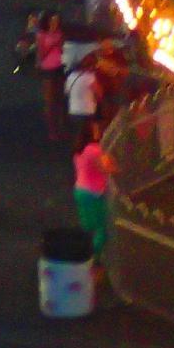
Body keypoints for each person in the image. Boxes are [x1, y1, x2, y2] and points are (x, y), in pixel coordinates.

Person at [73, 122, 114, 258]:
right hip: (93, 194)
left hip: (80, 191)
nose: (99, 132)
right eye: (96, 129)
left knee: (90, 228)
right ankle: (90, 259)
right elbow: (106, 168)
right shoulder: (94, 149)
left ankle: (91, 257)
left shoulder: (79, 150)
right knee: (101, 230)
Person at [65, 57, 101, 145]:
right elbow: (99, 93)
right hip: (87, 111)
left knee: (77, 136)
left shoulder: (70, 77)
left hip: (73, 111)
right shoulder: (90, 77)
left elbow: (66, 92)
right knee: (90, 137)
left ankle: (78, 154)